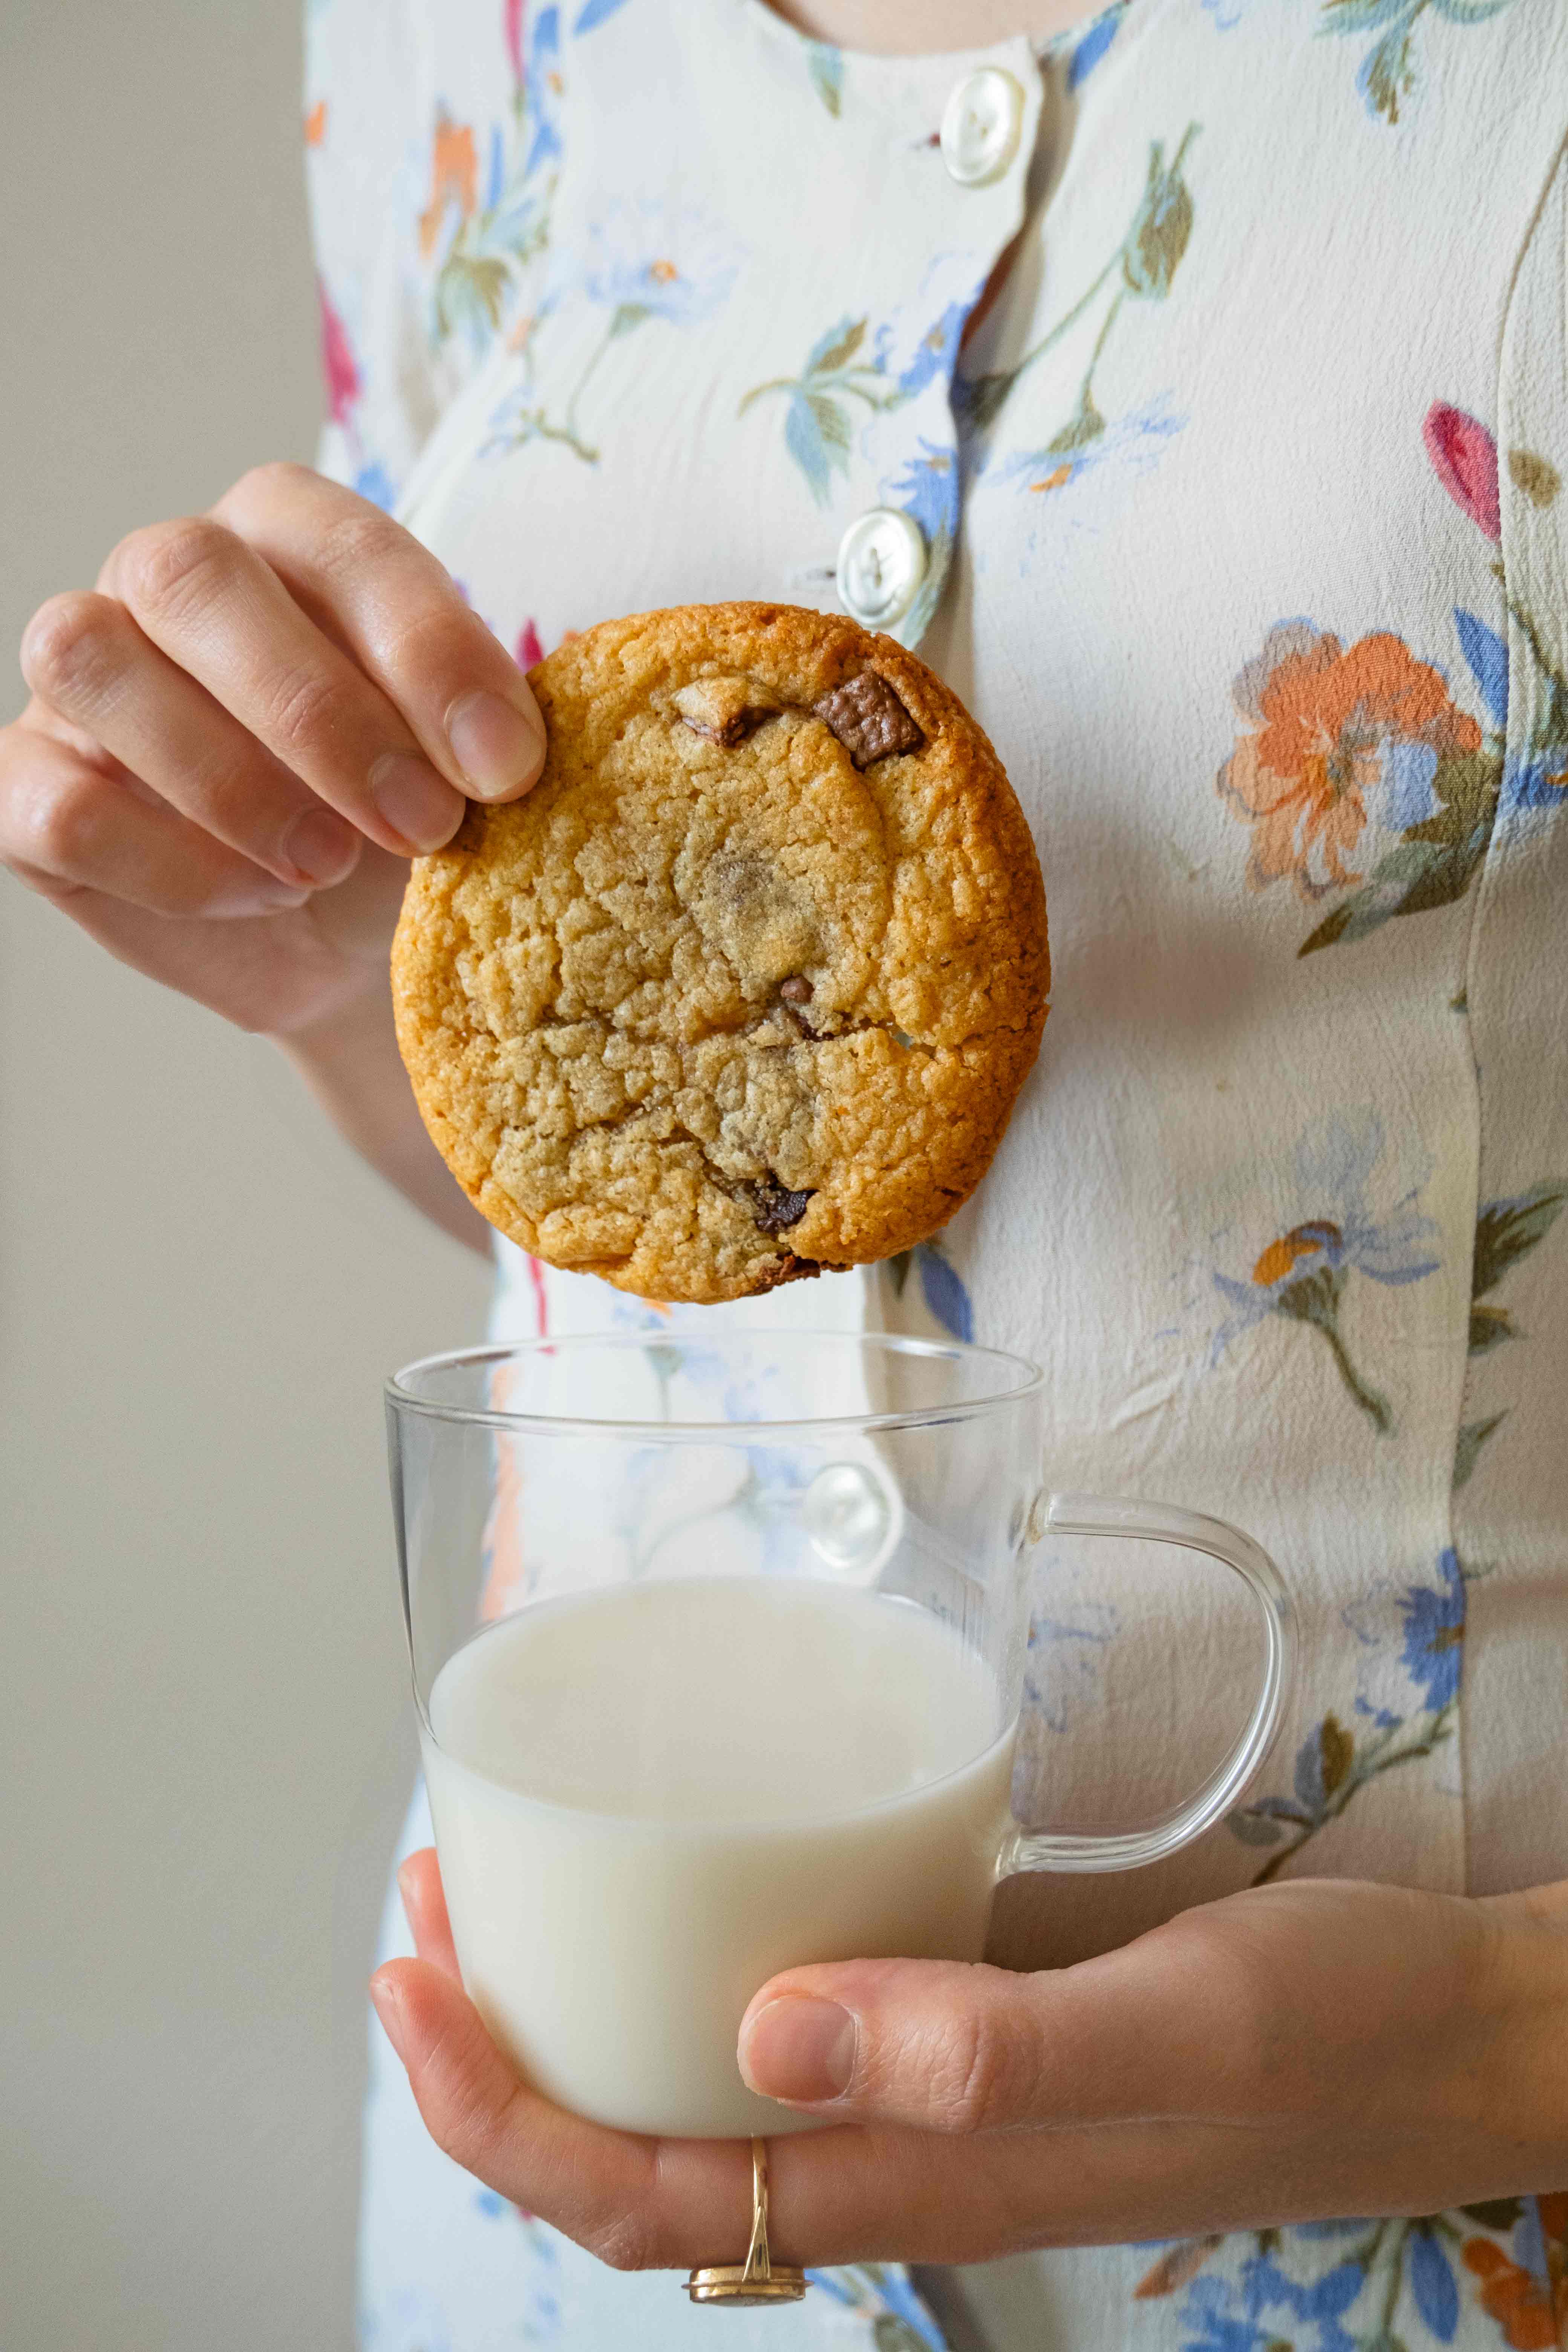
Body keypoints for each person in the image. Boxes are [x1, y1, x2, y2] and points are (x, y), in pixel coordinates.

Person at [6, 0, 1566, 2342]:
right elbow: (616, 1239)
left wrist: (1500, 2044)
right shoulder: (449, 40)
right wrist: (339, 978)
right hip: (543, 2223)